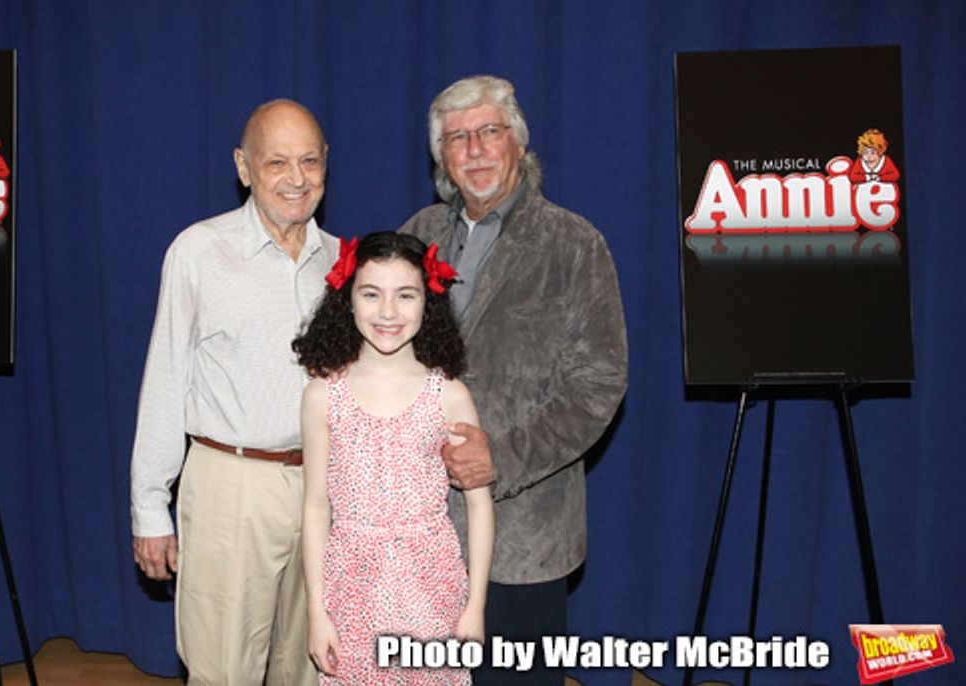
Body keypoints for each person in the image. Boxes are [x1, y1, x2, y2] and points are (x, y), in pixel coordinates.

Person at [400, 75, 628, 684]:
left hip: (524, 538)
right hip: (418, 529)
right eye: (457, 138)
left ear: (518, 146)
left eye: (489, 132)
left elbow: (599, 384)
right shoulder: (415, 236)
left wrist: (498, 457)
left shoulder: (574, 244)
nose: (474, 149)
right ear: (442, 157)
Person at [129, 99, 337, 686]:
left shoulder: (344, 264)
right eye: (276, 162)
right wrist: (150, 506)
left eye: (309, 161)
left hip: (325, 488)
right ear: (244, 167)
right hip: (231, 485)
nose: (296, 179)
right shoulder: (199, 252)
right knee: (225, 670)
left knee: (311, 665)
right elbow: (166, 379)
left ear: (327, 164)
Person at [293, 231, 494, 683]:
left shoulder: (450, 395)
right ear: (348, 300)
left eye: (405, 295)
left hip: (433, 584)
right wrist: (316, 611)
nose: (387, 312)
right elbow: (316, 506)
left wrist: (475, 607)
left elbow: (480, 506)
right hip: (350, 585)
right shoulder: (323, 395)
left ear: (428, 301)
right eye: (371, 294)